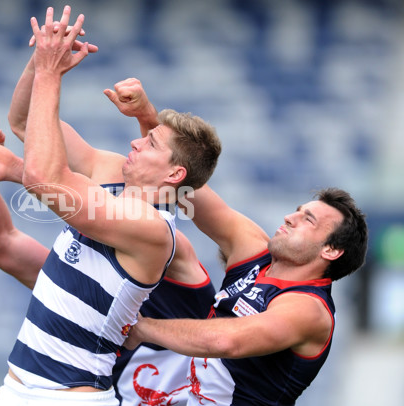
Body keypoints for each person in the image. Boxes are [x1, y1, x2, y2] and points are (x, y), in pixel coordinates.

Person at [0, 6, 222, 406]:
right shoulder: (111, 177)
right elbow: (24, 121)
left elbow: (45, 179)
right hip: (19, 389)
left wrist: (49, 71)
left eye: (151, 144)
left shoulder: (153, 230)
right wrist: (43, 53)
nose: (135, 141)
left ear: (174, 176)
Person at [118, 100, 369, 404]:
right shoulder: (256, 254)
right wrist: (148, 118)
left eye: (308, 220)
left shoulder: (308, 309)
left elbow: (228, 341)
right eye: (298, 210)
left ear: (330, 250)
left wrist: (143, 327)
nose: (291, 217)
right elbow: (187, 185)